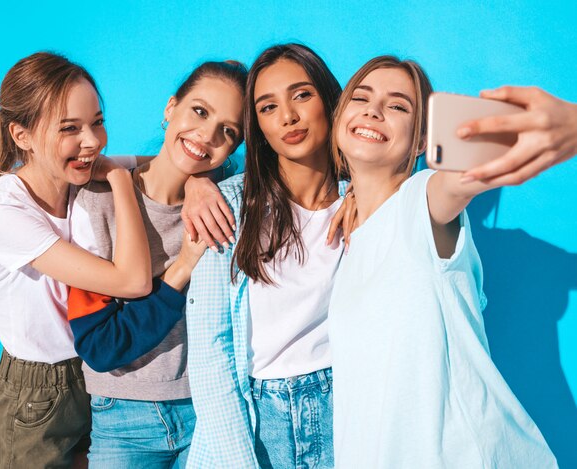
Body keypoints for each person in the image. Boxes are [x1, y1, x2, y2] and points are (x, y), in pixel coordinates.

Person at [328, 55, 558, 468]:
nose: (374, 110)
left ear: (420, 142)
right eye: (360, 98)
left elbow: (472, 173)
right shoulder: (348, 239)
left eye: (398, 105)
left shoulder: (423, 198)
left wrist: (557, 125)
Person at [0, 52, 152, 468]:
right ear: (22, 136)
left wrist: (198, 186)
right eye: (70, 128)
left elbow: (173, 168)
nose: (92, 141)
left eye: (98, 122)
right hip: (35, 396)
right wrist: (122, 180)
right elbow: (132, 281)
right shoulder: (4, 211)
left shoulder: (79, 175)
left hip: (95, 376)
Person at [67, 60, 247, 469]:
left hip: (208, 411)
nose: (207, 136)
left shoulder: (226, 203)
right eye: (199, 111)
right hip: (122, 418)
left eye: (228, 131)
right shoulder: (97, 202)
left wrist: (202, 181)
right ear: (171, 107)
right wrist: (183, 264)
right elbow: (101, 346)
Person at [185, 43, 344, 469]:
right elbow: (210, 351)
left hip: (348, 405)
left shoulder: (366, 203)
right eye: (268, 106)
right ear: (257, 124)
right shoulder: (230, 206)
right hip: (261, 420)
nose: (288, 117)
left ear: (330, 100)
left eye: (302, 95)